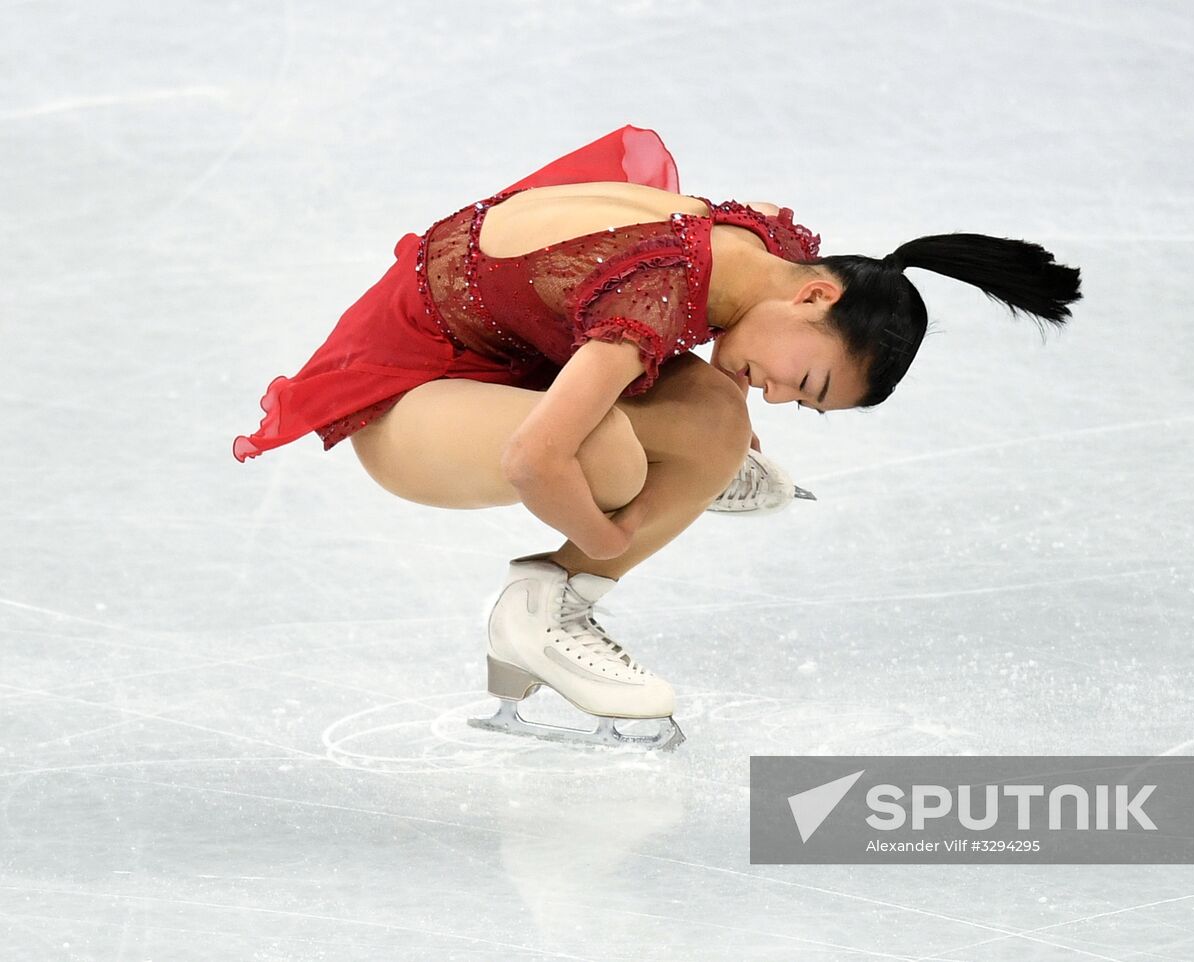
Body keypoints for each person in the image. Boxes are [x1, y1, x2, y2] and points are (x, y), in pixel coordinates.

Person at [232, 125, 1082, 750]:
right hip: (406, 395)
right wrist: (609, 536)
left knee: (720, 418)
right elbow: (535, 460)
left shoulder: (766, 248)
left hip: (510, 360)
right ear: (817, 299)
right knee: (604, 458)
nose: (783, 396)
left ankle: (650, 517)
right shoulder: (660, 294)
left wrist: (707, 457)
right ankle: (540, 608)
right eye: (807, 381)